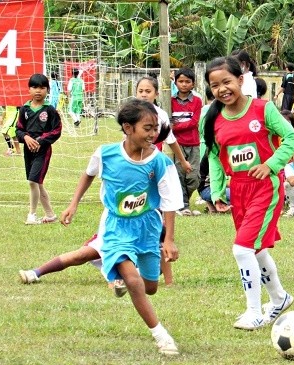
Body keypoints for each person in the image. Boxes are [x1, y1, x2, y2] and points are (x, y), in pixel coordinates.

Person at [60, 99, 182, 355]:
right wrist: (74, 204)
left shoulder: (160, 163)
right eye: (147, 128)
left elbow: (170, 202)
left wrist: (168, 239)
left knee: (150, 287)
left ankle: (125, 275)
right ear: (128, 128)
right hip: (116, 227)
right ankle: (161, 336)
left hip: (148, 227)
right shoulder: (106, 154)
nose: (153, 134)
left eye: (156, 128)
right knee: (134, 281)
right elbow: (89, 174)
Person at [202, 56, 294, 330]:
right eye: (215, 85)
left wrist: (271, 165)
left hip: (266, 188)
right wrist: (218, 190)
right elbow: (214, 156)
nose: (222, 89)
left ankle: (254, 311)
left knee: (242, 249)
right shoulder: (212, 120)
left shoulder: (263, 109)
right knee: (255, 251)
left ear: (241, 80)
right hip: (239, 190)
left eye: (227, 82)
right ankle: (279, 298)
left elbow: (291, 138)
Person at [16, 74, 62, 225]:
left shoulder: (50, 110)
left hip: (43, 151)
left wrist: (41, 140)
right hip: (28, 150)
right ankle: (50, 214)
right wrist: (27, 138)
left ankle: (32, 215)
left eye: (42, 87)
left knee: (32, 181)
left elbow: (56, 130)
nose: (38, 90)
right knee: (37, 183)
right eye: (35, 87)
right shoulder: (24, 109)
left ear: (48, 90)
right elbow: (18, 130)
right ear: (29, 89)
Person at [171, 68, 203, 216]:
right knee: (179, 174)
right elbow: (167, 123)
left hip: (194, 144)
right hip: (176, 144)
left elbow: (193, 122)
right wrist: (173, 128)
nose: (184, 84)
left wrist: (175, 126)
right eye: (181, 81)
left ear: (193, 84)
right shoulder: (169, 101)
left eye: (187, 82)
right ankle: (183, 205)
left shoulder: (197, 101)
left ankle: (184, 200)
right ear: (175, 82)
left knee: (193, 177)